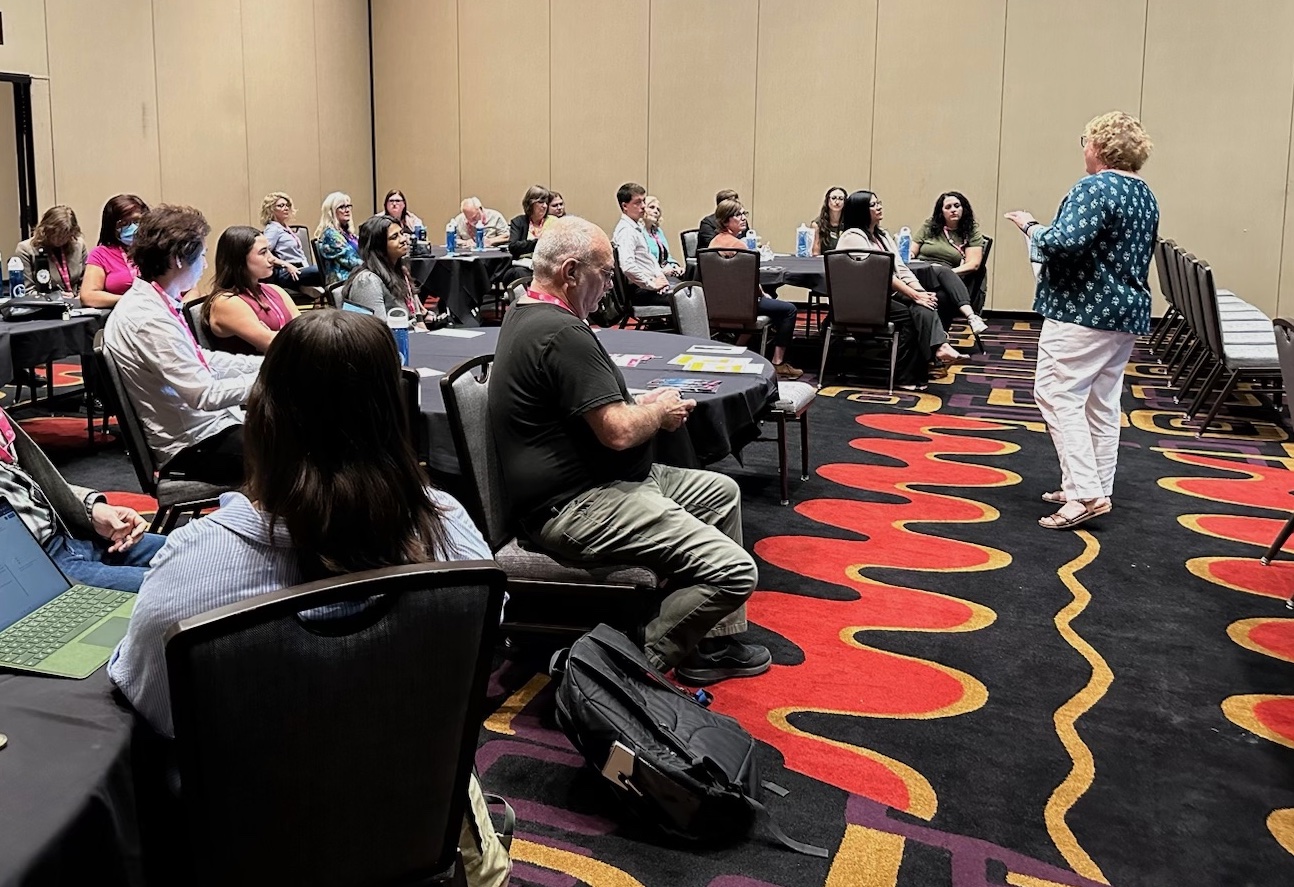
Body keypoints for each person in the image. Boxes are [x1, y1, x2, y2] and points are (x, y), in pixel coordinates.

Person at [107, 309, 510, 887]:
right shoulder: (453, 533)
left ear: (262, 419)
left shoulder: (197, 563)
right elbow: (484, 645)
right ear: (393, 417)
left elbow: (147, 704)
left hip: (251, 849)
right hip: (411, 824)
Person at [489, 216, 769, 685]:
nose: (610, 285)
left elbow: (593, 412)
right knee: (736, 572)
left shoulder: (528, 313)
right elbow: (618, 432)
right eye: (604, 273)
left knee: (721, 493)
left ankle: (708, 643)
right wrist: (656, 414)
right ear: (571, 272)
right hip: (578, 504)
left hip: (601, 481)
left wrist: (645, 406)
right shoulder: (561, 333)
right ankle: (628, 671)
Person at [1004, 111, 1158, 530]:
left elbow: (1064, 243)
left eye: (1087, 141)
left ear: (1100, 148)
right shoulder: (1144, 193)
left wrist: (1030, 227)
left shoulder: (1094, 188)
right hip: (1124, 312)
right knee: (1102, 402)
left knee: (1058, 395)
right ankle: (1091, 484)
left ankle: (1085, 493)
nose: (1083, 148)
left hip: (1083, 310)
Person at [103, 205, 261, 487]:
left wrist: (265, 364)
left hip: (207, 430)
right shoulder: (147, 319)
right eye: (201, 256)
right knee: (306, 451)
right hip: (192, 447)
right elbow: (204, 394)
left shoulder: (154, 300)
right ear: (178, 259)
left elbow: (200, 360)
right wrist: (271, 376)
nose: (205, 265)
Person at [1, 404, 165, 593]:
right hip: (36, 566)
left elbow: (32, 481)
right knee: (183, 587)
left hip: (70, 533)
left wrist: (91, 508)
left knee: (197, 552)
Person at [837, 190, 964, 390]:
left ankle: (935, 352)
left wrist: (921, 293)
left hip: (883, 297)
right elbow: (882, 273)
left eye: (879, 202)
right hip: (861, 302)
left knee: (923, 306)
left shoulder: (882, 235)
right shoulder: (852, 237)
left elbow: (901, 269)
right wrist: (914, 295)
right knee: (910, 315)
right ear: (861, 210)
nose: (879, 207)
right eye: (873, 204)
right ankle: (913, 370)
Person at [709, 199, 801, 379]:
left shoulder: (714, 242)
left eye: (744, 214)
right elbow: (749, 280)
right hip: (742, 304)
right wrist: (763, 294)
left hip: (717, 304)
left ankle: (736, 349)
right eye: (738, 215)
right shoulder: (738, 245)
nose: (743, 218)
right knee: (789, 310)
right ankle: (778, 363)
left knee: (766, 302)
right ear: (726, 220)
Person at [202, 226, 301, 355]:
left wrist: (277, 335)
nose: (271, 258)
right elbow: (274, 345)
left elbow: (304, 330)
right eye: (263, 252)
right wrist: (275, 337)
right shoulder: (226, 302)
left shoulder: (275, 289)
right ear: (239, 259)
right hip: (253, 372)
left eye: (269, 251)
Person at [912, 191, 989, 333]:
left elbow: (974, 264)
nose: (953, 210)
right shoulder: (929, 227)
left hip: (947, 278)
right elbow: (912, 251)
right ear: (941, 212)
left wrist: (947, 274)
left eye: (957, 206)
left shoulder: (971, 232)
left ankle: (940, 340)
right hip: (921, 271)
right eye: (948, 207)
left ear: (963, 208)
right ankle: (971, 316)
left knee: (942, 297)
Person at [341, 214, 424, 323]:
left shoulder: (399, 271)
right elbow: (378, 332)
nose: (403, 239)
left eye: (402, 233)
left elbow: (413, 314)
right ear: (379, 246)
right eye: (394, 237)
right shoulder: (367, 281)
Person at [80, 193, 148, 308]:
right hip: (125, 315)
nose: (133, 228)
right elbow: (88, 296)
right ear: (112, 227)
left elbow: (186, 288)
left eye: (137, 221)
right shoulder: (101, 254)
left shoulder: (159, 248)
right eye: (124, 224)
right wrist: (131, 301)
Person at [612, 182, 673, 306]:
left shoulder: (636, 227)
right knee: (687, 300)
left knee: (690, 292)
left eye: (644, 201)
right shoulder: (626, 231)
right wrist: (652, 285)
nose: (643, 206)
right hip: (640, 290)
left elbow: (650, 259)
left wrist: (660, 278)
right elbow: (628, 266)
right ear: (625, 206)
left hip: (649, 285)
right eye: (638, 202)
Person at [15, 205, 88, 295]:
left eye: (65, 234)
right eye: (56, 234)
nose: (60, 239)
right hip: (45, 304)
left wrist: (79, 296)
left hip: (76, 303)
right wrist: (56, 297)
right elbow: (27, 291)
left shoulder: (79, 245)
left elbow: (86, 283)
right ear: (45, 230)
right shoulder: (25, 249)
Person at [260, 192, 323, 287]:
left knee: (329, 272)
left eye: (287, 205)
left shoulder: (284, 227)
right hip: (287, 273)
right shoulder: (273, 229)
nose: (285, 208)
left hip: (300, 268)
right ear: (271, 210)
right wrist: (286, 265)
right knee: (323, 270)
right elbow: (264, 252)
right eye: (281, 206)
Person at [314, 191, 361, 285]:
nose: (347, 210)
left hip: (356, 278)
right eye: (342, 207)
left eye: (348, 206)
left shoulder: (348, 233)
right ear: (331, 211)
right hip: (343, 283)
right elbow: (351, 261)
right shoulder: (330, 236)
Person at [642, 195, 683, 277]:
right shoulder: (638, 232)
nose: (656, 211)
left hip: (665, 273)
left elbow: (667, 256)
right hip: (649, 276)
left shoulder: (658, 231)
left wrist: (675, 266)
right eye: (651, 207)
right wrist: (661, 271)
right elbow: (643, 261)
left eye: (658, 209)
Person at [508, 185, 551, 260]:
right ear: (530, 203)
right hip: (523, 264)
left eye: (546, 202)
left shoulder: (553, 221)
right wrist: (539, 242)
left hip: (548, 263)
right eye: (541, 202)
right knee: (518, 272)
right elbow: (513, 247)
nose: (545, 206)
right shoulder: (518, 222)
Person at [811, 187, 847, 256]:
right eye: (833, 198)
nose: (837, 202)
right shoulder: (817, 225)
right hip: (824, 263)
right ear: (827, 201)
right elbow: (816, 254)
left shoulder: (850, 223)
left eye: (841, 199)